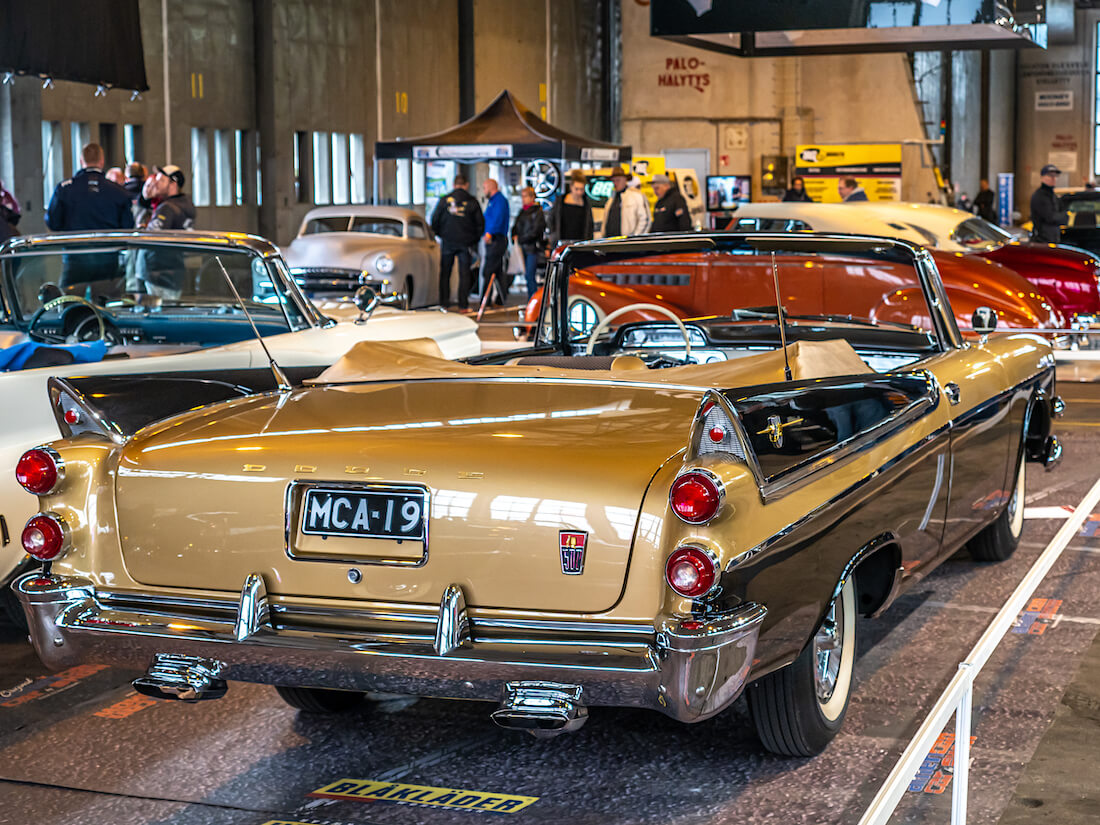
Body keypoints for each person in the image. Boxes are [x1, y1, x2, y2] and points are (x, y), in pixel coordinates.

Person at [45, 143, 135, 287]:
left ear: (81, 160)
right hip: (108, 257)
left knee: (71, 303)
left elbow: (53, 222)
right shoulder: (119, 192)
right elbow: (128, 227)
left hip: (75, 256)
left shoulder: (65, 188)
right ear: (102, 161)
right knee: (107, 302)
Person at [134, 165, 196, 298]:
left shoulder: (167, 208)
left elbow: (151, 238)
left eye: (161, 181)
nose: (156, 184)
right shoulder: (185, 204)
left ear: (173, 184)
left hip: (157, 273)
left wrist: (141, 230)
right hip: (173, 272)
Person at [430, 174, 483, 310]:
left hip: (448, 241)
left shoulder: (444, 200)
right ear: (466, 185)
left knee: (445, 273)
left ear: (454, 185)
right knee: (464, 274)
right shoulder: (472, 201)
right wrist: (473, 239)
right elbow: (480, 224)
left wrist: (441, 235)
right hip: (466, 243)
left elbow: (434, 220)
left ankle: (444, 304)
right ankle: (463, 305)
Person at [510, 186, 546, 300]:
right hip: (522, 247)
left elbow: (535, 231)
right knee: (526, 275)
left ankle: (533, 300)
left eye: (525, 196)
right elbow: (515, 226)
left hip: (532, 248)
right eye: (522, 196)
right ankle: (532, 299)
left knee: (530, 275)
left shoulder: (538, 212)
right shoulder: (522, 211)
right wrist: (514, 235)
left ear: (532, 197)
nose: (523, 199)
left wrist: (521, 238)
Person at [480, 178, 510, 304]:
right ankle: (500, 300)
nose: (483, 191)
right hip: (495, 239)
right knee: (497, 272)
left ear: (491, 188)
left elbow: (497, 219)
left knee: (487, 271)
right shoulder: (493, 201)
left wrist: (489, 234)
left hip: (496, 240)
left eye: (485, 188)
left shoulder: (499, 201)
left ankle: (484, 301)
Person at [548, 170, 593, 250]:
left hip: (580, 243)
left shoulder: (586, 204)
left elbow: (589, 226)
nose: (579, 192)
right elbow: (551, 219)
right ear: (571, 187)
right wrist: (553, 235)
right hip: (561, 242)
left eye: (582, 189)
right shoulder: (561, 201)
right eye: (577, 189)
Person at [603, 166, 650, 237]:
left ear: (625, 180)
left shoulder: (636, 196)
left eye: (618, 180)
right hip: (610, 241)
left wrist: (635, 239)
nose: (615, 183)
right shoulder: (611, 199)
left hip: (627, 243)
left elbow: (645, 220)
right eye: (613, 180)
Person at [1029, 164, 1068, 244]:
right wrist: (1064, 216)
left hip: (1053, 238)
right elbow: (1051, 217)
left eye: (1055, 176)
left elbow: (1062, 211)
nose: (1053, 178)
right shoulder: (1040, 196)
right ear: (1042, 177)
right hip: (1042, 241)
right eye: (1050, 175)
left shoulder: (1053, 195)